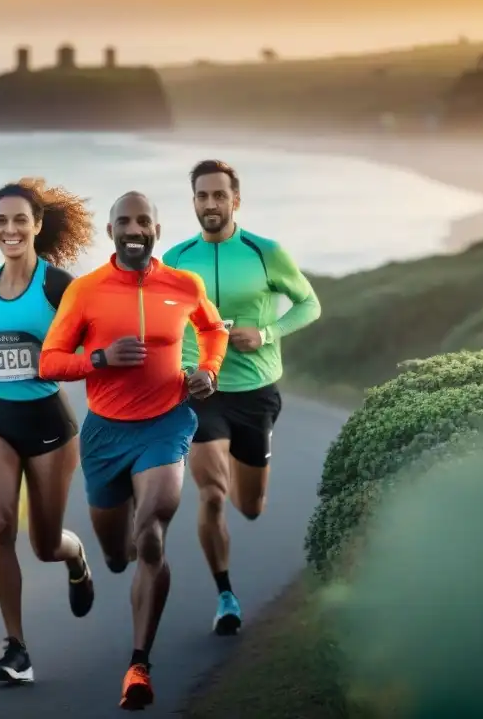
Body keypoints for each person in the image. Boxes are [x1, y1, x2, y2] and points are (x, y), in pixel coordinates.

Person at [38, 192, 228, 711]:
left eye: (143, 220)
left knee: (152, 532)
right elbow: (50, 362)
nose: (134, 229)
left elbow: (212, 331)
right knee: (119, 554)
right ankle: (86, 561)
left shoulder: (184, 285)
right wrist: (99, 358)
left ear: (157, 231)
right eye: (125, 221)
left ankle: (138, 664)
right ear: (111, 231)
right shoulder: (86, 290)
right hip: (104, 434)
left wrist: (207, 371)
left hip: (165, 425)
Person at [162, 159, 321, 636]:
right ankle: (226, 594)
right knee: (211, 494)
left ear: (235, 201)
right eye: (201, 196)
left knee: (249, 505)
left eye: (218, 195)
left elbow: (310, 304)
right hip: (200, 390)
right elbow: (157, 320)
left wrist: (268, 332)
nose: (210, 204)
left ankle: (232, 463)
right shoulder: (175, 258)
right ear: (192, 202)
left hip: (255, 392)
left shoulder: (264, 252)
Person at [0, 179, 97, 685]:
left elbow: (90, 348)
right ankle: (16, 649)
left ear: (37, 225)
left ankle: (75, 556)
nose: (10, 229)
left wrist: (65, 361)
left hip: (47, 422)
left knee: (43, 542)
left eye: (20, 220)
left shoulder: (60, 287)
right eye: (0, 221)